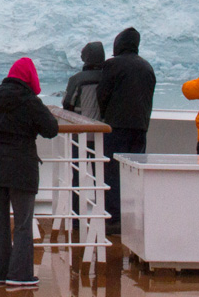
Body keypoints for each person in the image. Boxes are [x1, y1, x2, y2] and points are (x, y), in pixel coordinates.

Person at [0, 58, 58, 290]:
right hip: (21, 167)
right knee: (23, 223)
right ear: (30, 77)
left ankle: (1, 274)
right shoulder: (30, 101)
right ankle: (20, 275)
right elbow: (51, 129)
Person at [96, 27, 156, 234]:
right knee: (134, 172)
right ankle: (133, 218)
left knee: (113, 172)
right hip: (140, 126)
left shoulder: (113, 65)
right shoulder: (147, 67)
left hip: (117, 126)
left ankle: (114, 219)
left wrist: (105, 115)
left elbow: (102, 94)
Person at [62, 42, 105, 119]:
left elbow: (67, 104)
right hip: (105, 124)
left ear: (85, 57)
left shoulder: (76, 79)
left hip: (81, 123)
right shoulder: (109, 77)